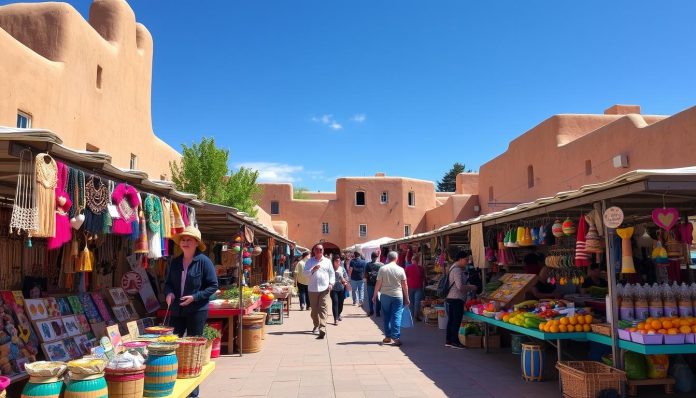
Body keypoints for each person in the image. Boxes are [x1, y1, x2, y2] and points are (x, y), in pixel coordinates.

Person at [164, 226, 218, 398]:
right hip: (177, 311)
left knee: (194, 350)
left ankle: (193, 393)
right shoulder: (175, 262)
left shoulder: (204, 261)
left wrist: (195, 297)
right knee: (173, 346)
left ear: (196, 243)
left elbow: (213, 286)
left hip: (196, 310)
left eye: (189, 240)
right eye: (183, 240)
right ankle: (176, 385)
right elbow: (168, 284)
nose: (185, 243)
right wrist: (169, 293)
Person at [373, 251, 409, 346]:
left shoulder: (382, 269)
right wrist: (407, 298)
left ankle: (388, 336)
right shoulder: (401, 269)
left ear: (387, 258)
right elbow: (404, 285)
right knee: (396, 316)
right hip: (397, 296)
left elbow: (378, 283)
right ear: (396, 259)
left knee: (386, 316)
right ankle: (396, 337)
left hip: (385, 295)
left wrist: (374, 295)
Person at [445, 251, 478, 349]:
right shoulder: (457, 270)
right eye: (466, 259)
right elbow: (460, 286)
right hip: (456, 298)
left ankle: (449, 340)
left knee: (451, 320)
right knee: (456, 320)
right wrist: (471, 287)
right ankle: (455, 342)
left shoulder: (453, 267)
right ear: (460, 259)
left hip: (451, 297)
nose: (467, 261)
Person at [303, 243, 334, 339]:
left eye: (321, 250)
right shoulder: (309, 261)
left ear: (323, 251)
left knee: (323, 308)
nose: (319, 251)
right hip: (312, 289)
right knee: (314, 311)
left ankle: (322, 328)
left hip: (324, 288)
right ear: (314, 251)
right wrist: (313, 269)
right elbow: (305, 274)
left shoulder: (327, 261)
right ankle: (316, 324)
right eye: (317, 249)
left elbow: (332, 273)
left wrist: (331, 283)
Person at [405, 255, 425, 321]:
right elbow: (423, 277)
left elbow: (405, 277)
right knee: (417, 302)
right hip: (418, 286)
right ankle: (416, 315)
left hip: (410, 286)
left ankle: (411, 316)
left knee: (411, 302)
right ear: (418, 260)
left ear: (412, 260)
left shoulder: (407, 267)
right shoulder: (421, 268)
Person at [330, 254, 349, 324]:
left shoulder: (342, 268)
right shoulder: (330, 269)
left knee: (340, 304)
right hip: (333, 289)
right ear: (333, 261)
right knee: (335, 302)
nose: (338, 262)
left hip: (341, 289)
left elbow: (347, 277)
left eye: (339, 261)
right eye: (337, 261)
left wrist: (343, 279)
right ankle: (335, 319)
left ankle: (338, 314)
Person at [365, 251, 384, 317]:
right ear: (377, 257)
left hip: (370, 284)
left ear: (371, 257)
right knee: (378, 298)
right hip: (379, 284)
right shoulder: (381, 265)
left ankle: (371, 311)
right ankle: (378, 312)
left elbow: (365, 275)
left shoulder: (368, 264)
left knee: (370, 298)